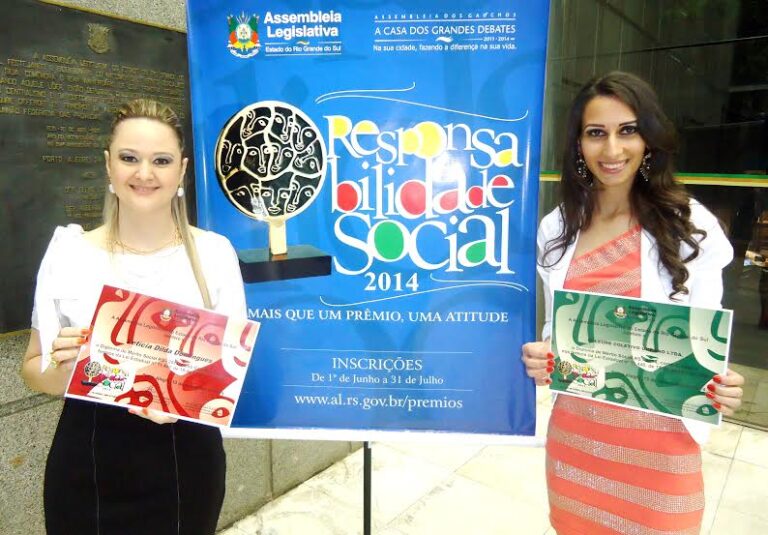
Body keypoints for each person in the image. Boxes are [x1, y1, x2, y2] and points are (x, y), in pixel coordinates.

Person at [521, 72, 745, 535]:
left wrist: (721, 384)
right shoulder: (555, 229)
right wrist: (544, 356)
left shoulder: (690, 226)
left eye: (628, 130)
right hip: (576, 444)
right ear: (578, 144)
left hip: (662, 453)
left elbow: (706, 347)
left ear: (648, 140)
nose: (612, 149)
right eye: (596, 133)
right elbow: (555, 335)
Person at [20, 99, 247, 535]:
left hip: (184, 459)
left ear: (181, 170)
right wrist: (68, 371)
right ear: (109, 164)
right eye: (129, 158)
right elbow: (33, 368)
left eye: (161, 160)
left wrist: (179, 394)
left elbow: (229, 374)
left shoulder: (215, 254)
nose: (144, 173)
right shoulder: (68, 253)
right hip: (88, 457)